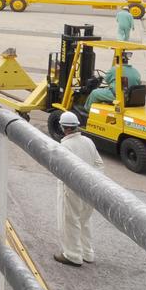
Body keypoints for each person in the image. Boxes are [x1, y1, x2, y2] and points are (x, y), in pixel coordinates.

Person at [53, 112, 104, 267]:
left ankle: (73, 255)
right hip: (91, 188)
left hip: (72, 189)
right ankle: (87, 252)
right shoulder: (88, 141)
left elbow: (61, 169)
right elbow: (99, 164)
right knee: (84, 221)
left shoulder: (65, 146)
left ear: (63, 128)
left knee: (70, 220)